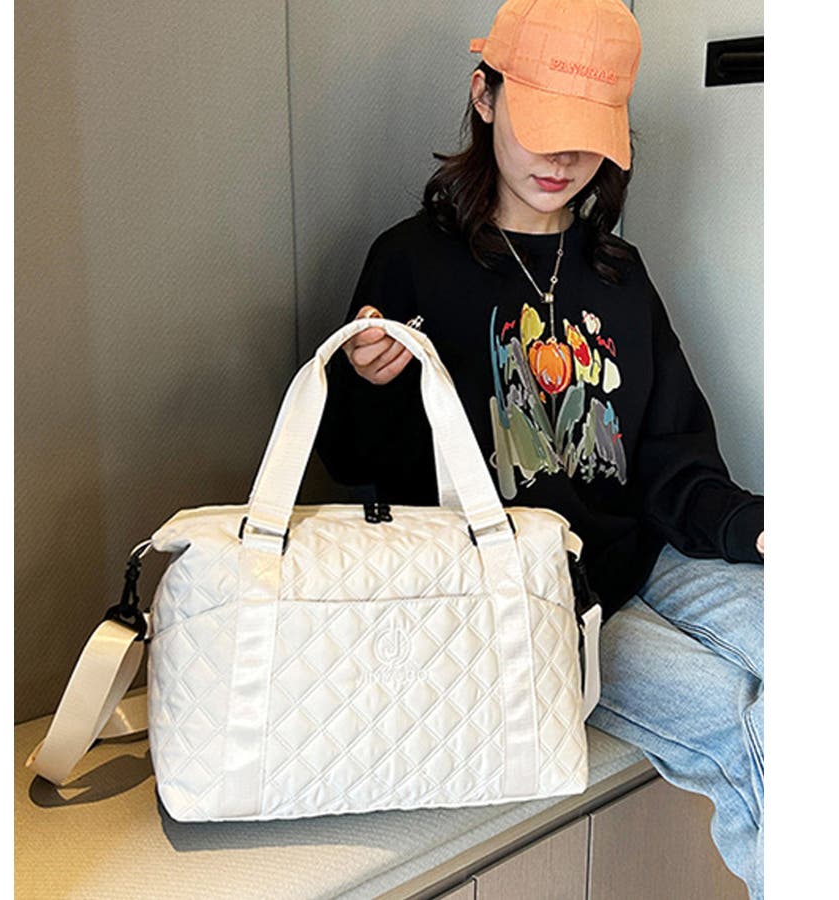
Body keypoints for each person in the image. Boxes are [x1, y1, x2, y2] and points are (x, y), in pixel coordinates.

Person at [313, 1, 763, 897]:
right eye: (543, 127)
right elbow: (367, 477)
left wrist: (753, 527)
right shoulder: (410, 262)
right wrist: (368, 384)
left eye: (587, 137)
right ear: (484, 98)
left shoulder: (618, 272)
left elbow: (672, 456)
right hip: (534, 606)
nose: (562, 161)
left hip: (648, 555)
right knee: (739, 722)